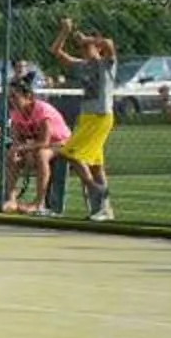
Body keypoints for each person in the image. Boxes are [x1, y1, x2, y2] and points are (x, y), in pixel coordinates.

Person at [51, 17, 120, 221]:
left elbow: (109, 43)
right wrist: (65, 31)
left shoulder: (106, 64)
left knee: (70, 154)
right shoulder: (82, 65)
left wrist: (88, 39)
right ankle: (104, 209)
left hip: (100, 116)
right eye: (82, 48)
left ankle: (94, 188)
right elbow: (56, 51)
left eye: (88, 47)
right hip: (87, 117)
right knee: (96, 166)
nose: (85, 50)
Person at [2, 80, 71, 215]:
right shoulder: (16, 113)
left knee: (41, 154)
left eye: (15, 97)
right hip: (37, 145)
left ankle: (39, 203)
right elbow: (17, 140)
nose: (11, 100)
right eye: (9, 97)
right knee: (12, 155)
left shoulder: (42, 110)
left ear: (28, 96)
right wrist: (16, 150)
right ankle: (11, 199)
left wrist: (23, 148)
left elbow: (45, 141)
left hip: (61, 143)